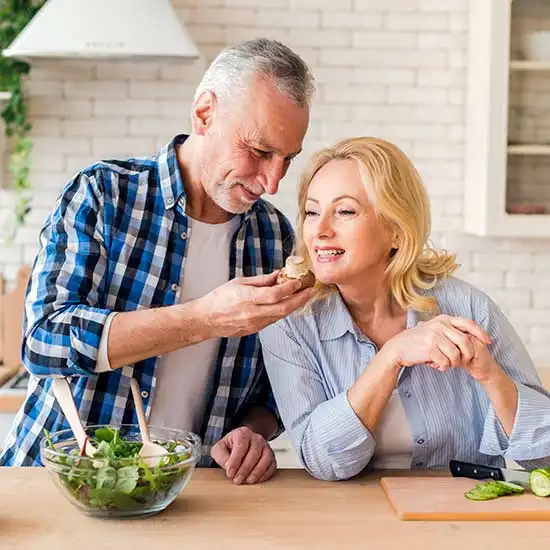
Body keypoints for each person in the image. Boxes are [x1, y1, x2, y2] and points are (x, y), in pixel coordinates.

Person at [0, 38, 316, 486]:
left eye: (288, 159)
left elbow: (272, 387)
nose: (272, 181)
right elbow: (43, 341)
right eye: (260, 151)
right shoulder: (104, 194)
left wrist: (253, 432)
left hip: (184, 495)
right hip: (54, 486)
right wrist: (203, 319)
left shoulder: (273, 237)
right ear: (204, 114)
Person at [259, 136, 550, 482]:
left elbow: (544, 459)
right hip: (347, 523)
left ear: (395, 230)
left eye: (345, 211)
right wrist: (390, 356)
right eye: (311, 211)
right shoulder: (290, 322)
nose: (320, 230)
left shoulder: (467, 307)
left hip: (462, 517)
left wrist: (490, 375)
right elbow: (323, 461)